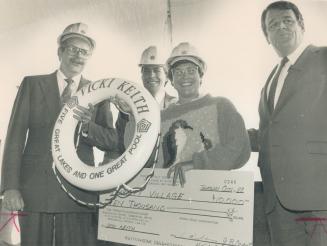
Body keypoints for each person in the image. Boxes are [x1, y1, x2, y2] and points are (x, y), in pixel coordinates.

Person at [1, 22, 120, 246]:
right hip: (35, 190)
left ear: (89, 57)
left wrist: (87, 127)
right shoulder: (32, 84)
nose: (78, 56)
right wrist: (10, 187)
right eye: (73, 49)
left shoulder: (98, 91)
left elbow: (111, 141)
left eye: (84, 52)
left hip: (79, 192)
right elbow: (14, 138)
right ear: (60, 51)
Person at [251, 1, 327, 245]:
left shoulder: (323, 57)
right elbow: (269, 134)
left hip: (319, 197)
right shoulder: (270, 80)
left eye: (287, 20)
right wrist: (224, 139)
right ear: (267, 36)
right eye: (273, 25)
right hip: (277, 202)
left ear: (301, 25)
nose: (281, 27)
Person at [160, 42, 250, 186]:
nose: (185, 77)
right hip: (170, 196)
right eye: (178, 72)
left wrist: (196, 164)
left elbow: (239, 149)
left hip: (212, 195)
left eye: (191, 70)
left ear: (201, 76)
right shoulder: (161, 116)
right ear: (171, 80)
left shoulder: (221, 106)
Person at [114, 46, 176, 155]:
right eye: (146, 71)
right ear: (141, 76)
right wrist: (128, 114)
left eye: (156, 70)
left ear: (166, 76)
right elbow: (120, 148)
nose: (151, 75)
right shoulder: (128, 108)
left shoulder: (176, 105)